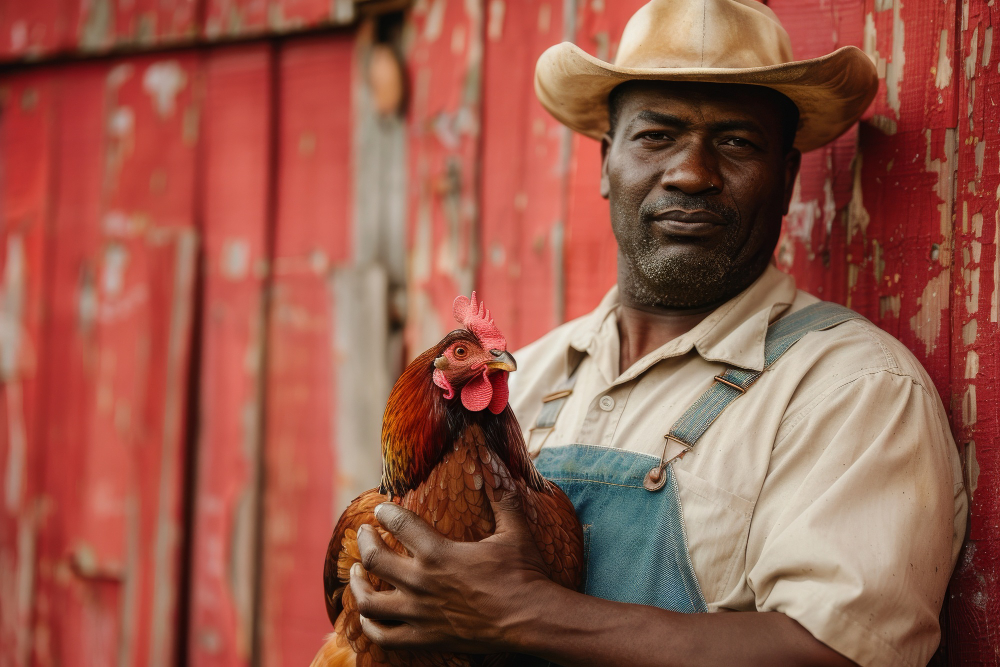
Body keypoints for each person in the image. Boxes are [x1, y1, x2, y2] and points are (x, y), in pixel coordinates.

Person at [347, 0, 968, 665]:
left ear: (787, 179)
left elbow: (834, 655)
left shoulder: (852, 389)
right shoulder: (526, 378)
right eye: (656, 135)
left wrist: (528, 614)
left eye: (736, 142)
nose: (691, 173)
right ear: (605, 162)